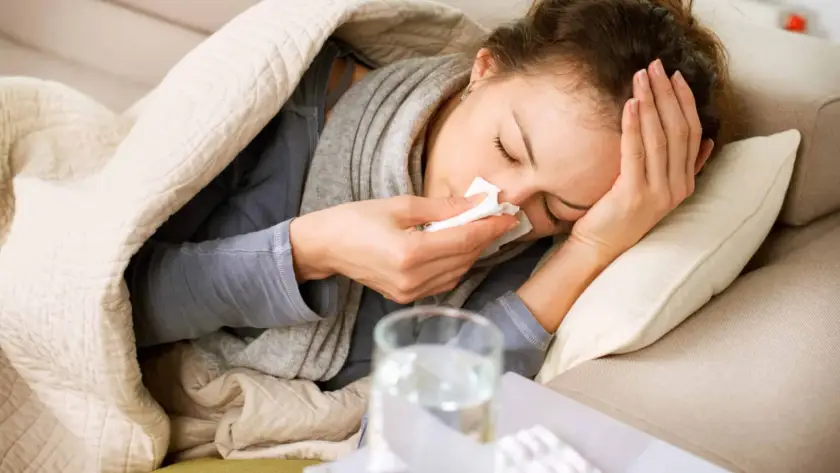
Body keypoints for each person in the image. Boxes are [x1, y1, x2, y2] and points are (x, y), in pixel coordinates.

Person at [126, 0, 731, 389]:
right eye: (509, 149)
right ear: (483, 70)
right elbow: (113, 301)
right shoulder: (284, 104)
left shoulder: (530, 252)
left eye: (558, 206)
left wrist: (589, 245)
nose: (506, 203)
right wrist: (312, 251)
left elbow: (429, 415)